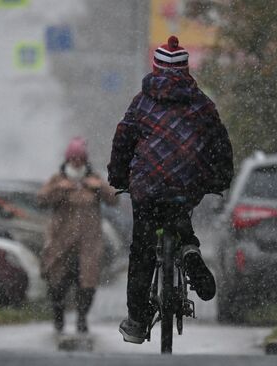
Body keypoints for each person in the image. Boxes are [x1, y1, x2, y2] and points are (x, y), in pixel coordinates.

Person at [108, 36, 234, 344]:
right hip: (189, 182)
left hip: (148, 185)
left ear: (155, 68)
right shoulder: (202, 102)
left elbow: (123, 140)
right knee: (177, 210)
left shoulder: (141, 103)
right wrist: (220, 179)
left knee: (142, 251)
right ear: (186, 70)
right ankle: (189, 250)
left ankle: (138, 321)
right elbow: (220, 142)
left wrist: (118, 176)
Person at [38, 137, 117, 335]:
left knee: (87, 285)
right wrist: (59, 189)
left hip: (88, 244)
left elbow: (114, 199)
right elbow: (41, 199)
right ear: (67, 159)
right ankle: (59, 316)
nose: (76, 162)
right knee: (58, 283)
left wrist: (99, 187)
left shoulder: (94, 178)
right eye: (73, 158)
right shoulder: (58, 179)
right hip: (61, 243)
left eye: (80, 158)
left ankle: (82, 318)